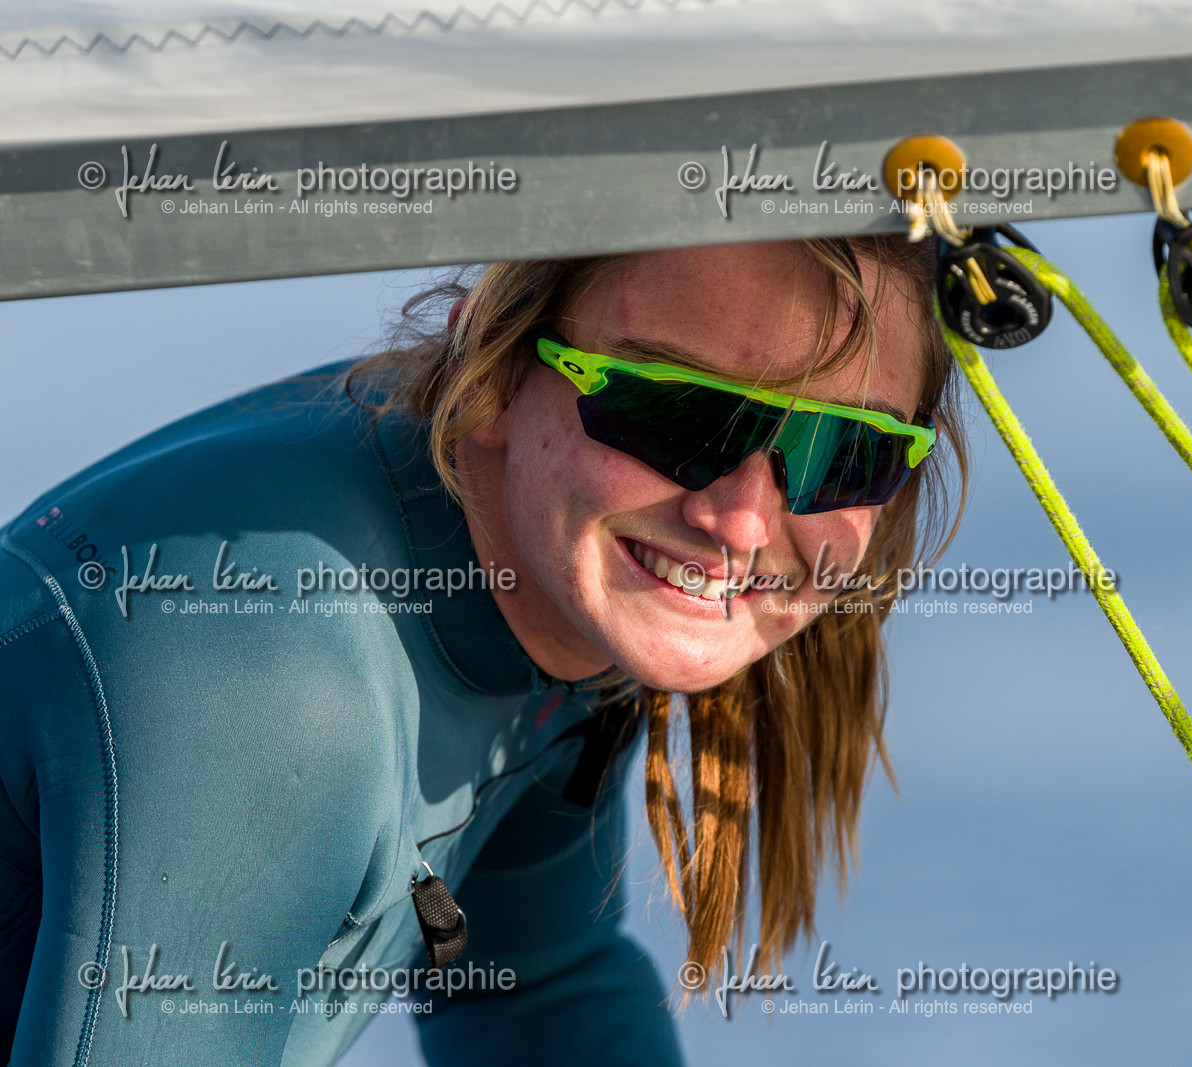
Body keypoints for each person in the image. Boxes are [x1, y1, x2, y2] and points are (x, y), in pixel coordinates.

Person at [0, 236, 967, 1065]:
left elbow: (535, 989)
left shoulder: (547, 573)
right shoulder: (274, 674)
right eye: (678, 415)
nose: (744, 523)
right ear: (493, 371)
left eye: (845, 452)